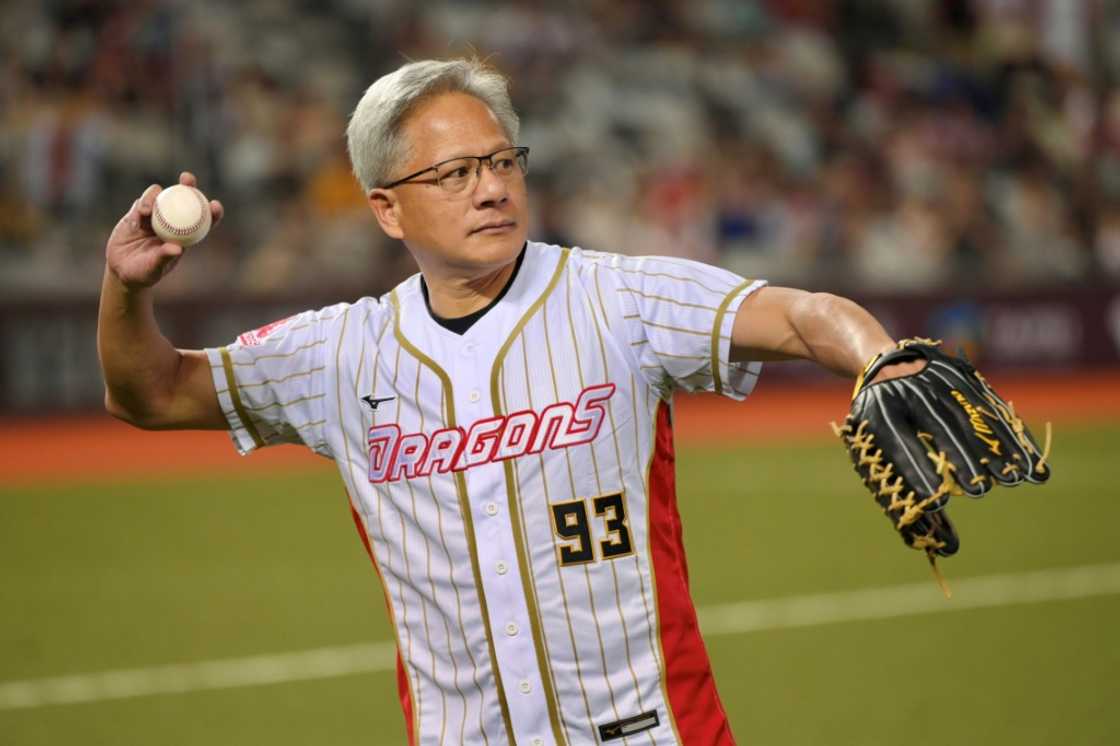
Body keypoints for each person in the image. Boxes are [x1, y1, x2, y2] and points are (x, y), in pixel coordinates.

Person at [98, 58, 931, 746]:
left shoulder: (616, 299)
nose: (491, 189)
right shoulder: (339, 353)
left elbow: (800, 315)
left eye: (502, 162)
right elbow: (152, 392)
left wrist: (882, 361)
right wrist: (125, 289)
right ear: (387, 208)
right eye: (454, 174)